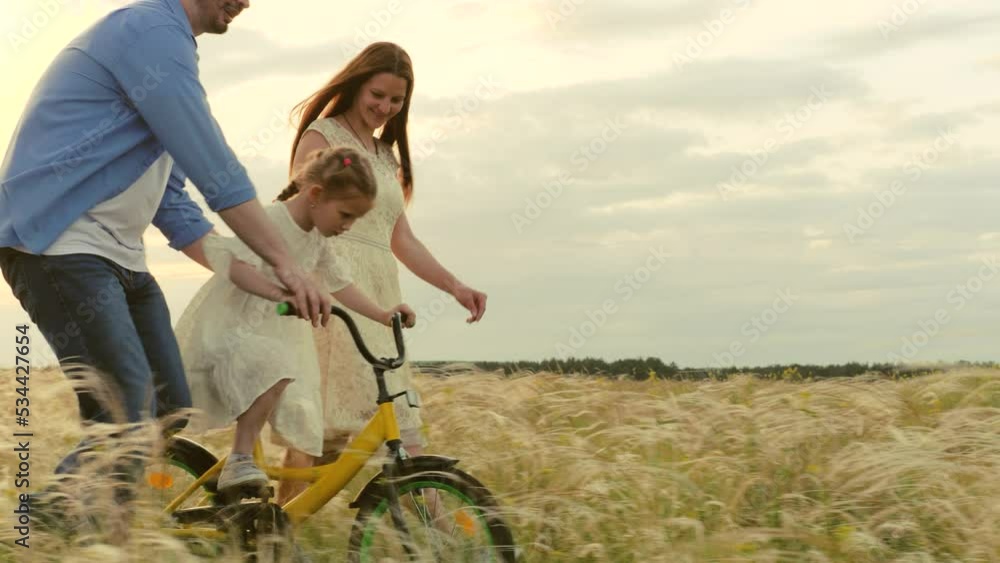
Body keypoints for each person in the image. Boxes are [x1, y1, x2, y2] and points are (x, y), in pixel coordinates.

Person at [0, 0, 330, 526]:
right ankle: (29, 531)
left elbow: (179, 214)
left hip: (120, 259)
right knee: (128, 413)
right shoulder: (150, 31)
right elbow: (216, 169)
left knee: (169, 404)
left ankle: (106, 533)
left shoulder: (169, 51)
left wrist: (274, 284)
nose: (246, 2)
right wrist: (288, 263)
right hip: (61, 248)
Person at [275, 42, 488, 504]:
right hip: (331, 289)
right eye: (377, 94)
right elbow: (301, 218)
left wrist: (455, 285)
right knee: (318, 434)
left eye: (396, 101)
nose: (384, 108)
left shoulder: (386, 156)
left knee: (400, 423)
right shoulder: (322, 137)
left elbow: (401, 238)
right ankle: (278, 537)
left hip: (380, 297)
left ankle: (438, 534)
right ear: (356, 84)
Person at [175, 146, 416, 492]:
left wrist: (382, 314)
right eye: (345, 215)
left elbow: (340, 282)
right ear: (316, 194)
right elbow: (235, 267)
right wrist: (281, 295)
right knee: (276, 364)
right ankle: (239, 458)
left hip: (279, 334)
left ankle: (266, 515)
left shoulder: (317, 239)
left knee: (302, 406)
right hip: (236, 327)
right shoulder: (270, 220)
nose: (347, 226)